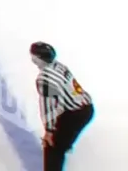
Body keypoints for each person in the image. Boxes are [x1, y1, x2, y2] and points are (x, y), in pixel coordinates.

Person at [31, 42, 94, 171]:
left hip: (75, 114)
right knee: (64, 133)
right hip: (86, 107)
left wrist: (49, 131)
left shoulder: (45, 79)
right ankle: (65, 142)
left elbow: (48, 107)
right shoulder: (59, 66)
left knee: (53, 146)